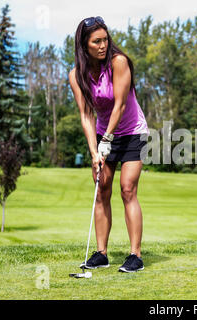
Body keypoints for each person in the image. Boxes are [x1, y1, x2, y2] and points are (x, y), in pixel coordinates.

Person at [68, 16, 149, 273]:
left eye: (105, 39)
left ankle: (135, 255)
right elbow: (86, 115)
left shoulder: (119, 62)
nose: (103, 45)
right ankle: (101, 253)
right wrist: (94, 152)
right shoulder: (76, 75)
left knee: (127, 189)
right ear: (84, 45)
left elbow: (121, 105)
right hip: (104, 134)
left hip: (133, 132)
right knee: (101, 189)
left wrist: (107, 140)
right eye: (96, 41)